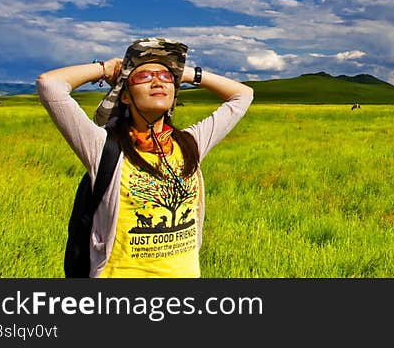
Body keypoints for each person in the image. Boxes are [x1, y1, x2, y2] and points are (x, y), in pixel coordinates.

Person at [36, 37, 253, 277]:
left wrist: (187, 73)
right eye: (144, 76)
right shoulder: (102, 147)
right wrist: (107, 69)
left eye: (166, 77)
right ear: (125, 96)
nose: (158, 81)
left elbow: (243, 94)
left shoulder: (190, 144)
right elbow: (50, 84)